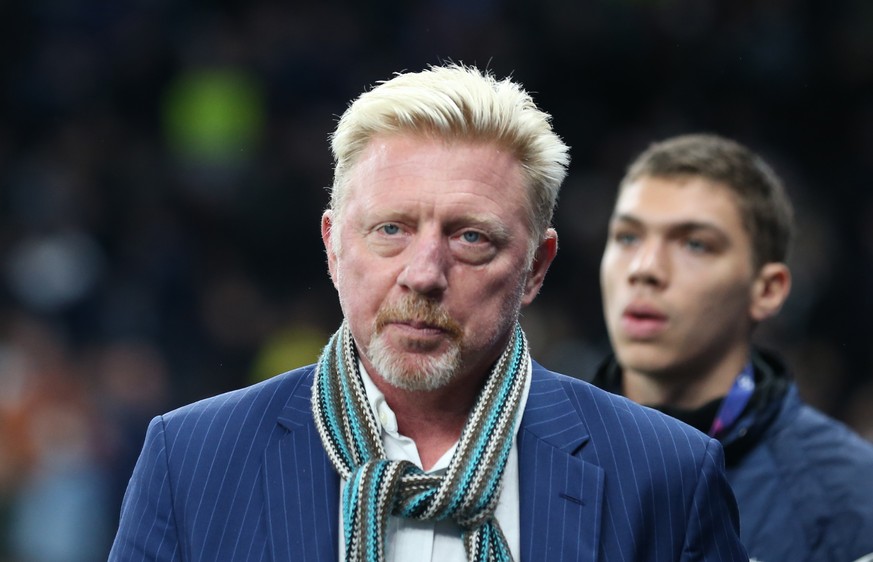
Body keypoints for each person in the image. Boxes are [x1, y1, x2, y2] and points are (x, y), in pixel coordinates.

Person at [109, 64, 748, 561]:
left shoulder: (669, 479)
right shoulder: (191, 460)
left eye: (471, 237)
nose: (423, 274)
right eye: (390, 229)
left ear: (536, 268)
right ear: (333, 246)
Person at [595, 132, 873, 562]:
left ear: (767, 290)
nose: (644, 268)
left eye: (694, 244)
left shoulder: (853, 497)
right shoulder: (520, 452)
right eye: (627, 237)